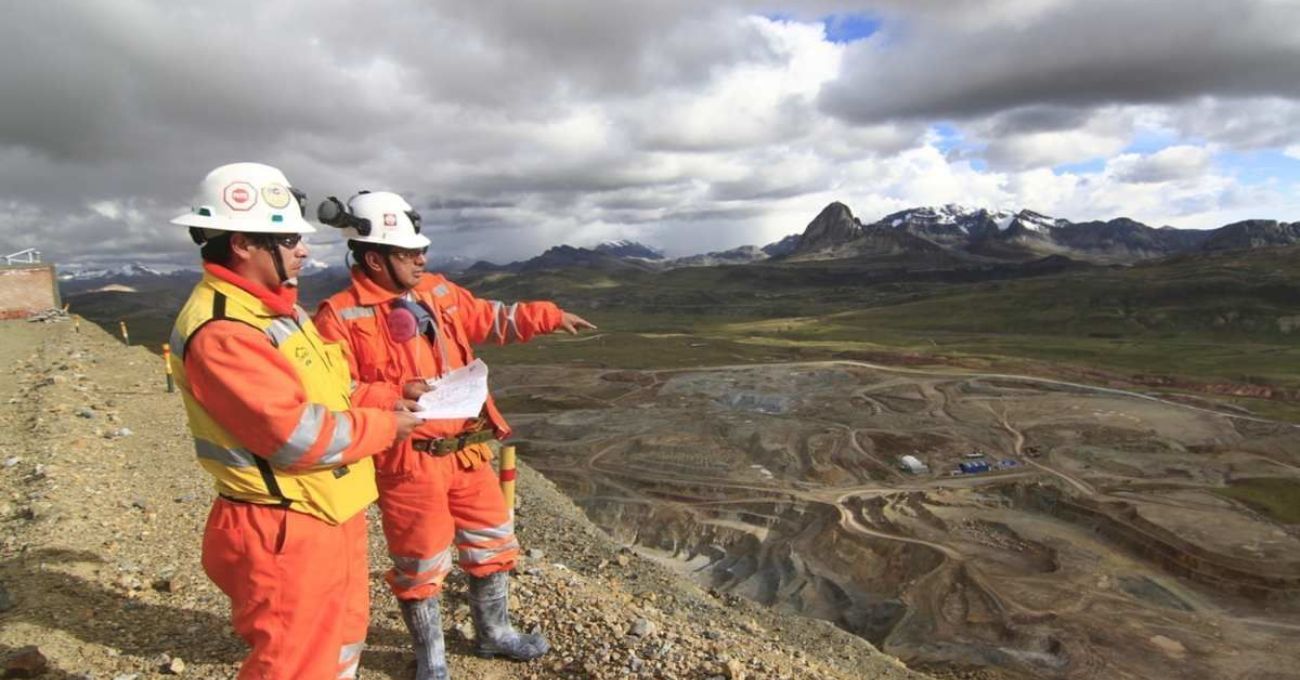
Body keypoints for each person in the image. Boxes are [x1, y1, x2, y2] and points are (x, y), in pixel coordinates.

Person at [313, 190, 595, 679]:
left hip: (466, 452)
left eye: (421, 249)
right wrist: (395, 391)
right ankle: (432, 661)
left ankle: (494, 634)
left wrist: (547, 315)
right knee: (420, 565)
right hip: (408, 461)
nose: (422, 258)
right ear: (374, 258)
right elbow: (335, 391)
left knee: (493, 543)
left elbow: (489, 316)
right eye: (407, 252)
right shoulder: (338, 316)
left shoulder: (438, 292)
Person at [168, 164, 421, 679]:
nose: (304, 250)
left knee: (340, 643)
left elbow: (331, 391)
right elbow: (296, 436)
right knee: (294, 663)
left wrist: (393, 394)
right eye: (288, 239)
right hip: (282, 524)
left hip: (325, 512)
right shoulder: (224, 330)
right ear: (241, 243)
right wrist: (384, 428)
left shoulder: (277, 312)